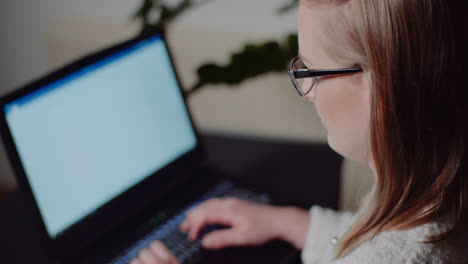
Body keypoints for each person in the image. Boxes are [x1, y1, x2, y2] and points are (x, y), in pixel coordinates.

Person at [130, 0, 468, 263]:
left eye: (312, 71)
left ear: (381, 90)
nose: (306, 93)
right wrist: (292, 224)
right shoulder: (439, 194)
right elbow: (380, 244)